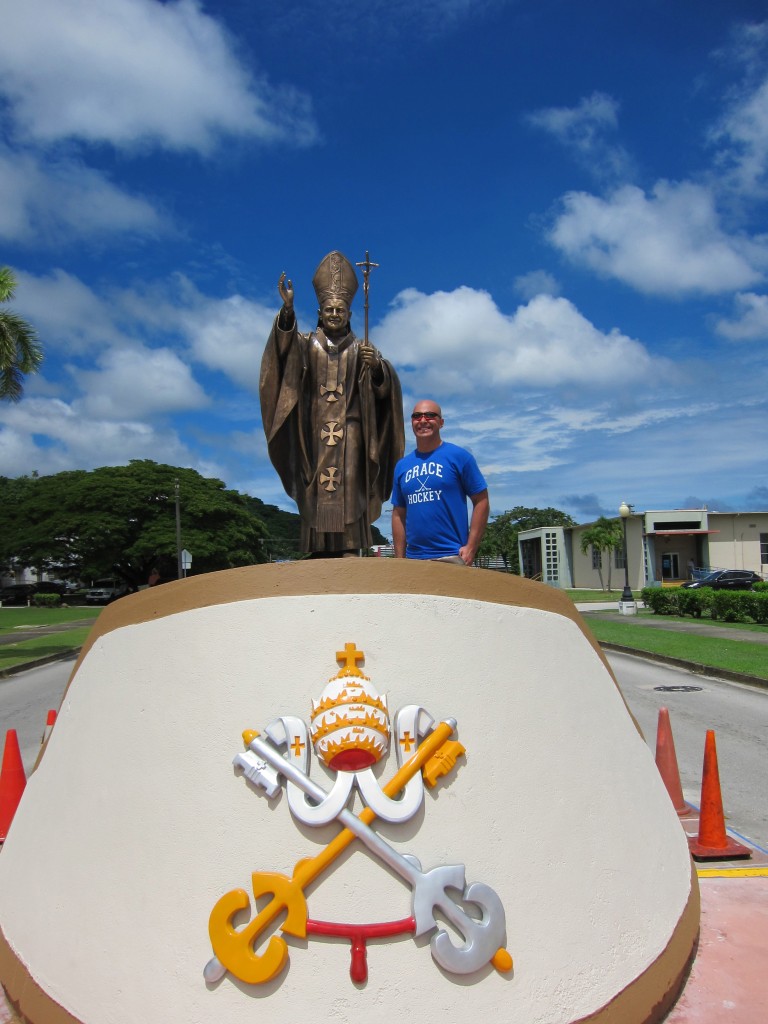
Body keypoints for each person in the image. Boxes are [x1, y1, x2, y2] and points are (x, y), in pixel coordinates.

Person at [260, 251, 404, 556]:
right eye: (329, 310)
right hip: (313, 431)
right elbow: (282, 353)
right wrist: (287, 312)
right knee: (316, 484)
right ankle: (318, 546)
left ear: (350, 314)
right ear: (320, 312)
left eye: (340, 309)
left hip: (351, 428)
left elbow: (381, 392)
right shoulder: (306, 343)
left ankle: (350, 545)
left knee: (350, 481)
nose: (335, 314)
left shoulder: (362, 348)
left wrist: (377, 367)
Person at [391, 400, 489, 564]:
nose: (423, 420)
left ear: (441, 422)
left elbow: (481, 501)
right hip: (414, 560)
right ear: (412, 422)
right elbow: (398, 514)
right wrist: (400, 559)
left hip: (451, 555)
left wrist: (471, 547)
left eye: (430, 415)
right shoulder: (402, 466)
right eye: (417, 416)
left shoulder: (460, 457)